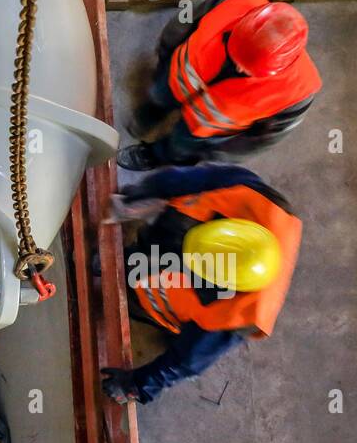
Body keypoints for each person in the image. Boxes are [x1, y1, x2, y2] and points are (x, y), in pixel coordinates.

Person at [100, 162, 302, 405]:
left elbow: (187, 362)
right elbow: (182, 178)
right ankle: (136, 259)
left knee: (163, 314)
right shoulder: (248, 192)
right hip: (177, 244)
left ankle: (143, 298)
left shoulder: (234, 318)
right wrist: (138, 197)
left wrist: (136, 385)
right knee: (166, 235)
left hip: (164, 300)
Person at [117, 0, 321, 171]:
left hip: (203, 127)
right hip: (174, 79)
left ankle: (155, 155)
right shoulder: (237, 1)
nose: (237, 65)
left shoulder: (298, 92)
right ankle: (150, 114)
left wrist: (220, 153)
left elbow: (264, 139)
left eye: (248, 68)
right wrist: (166, 51)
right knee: (159, 96)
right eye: (236, 52)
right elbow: (185, 18)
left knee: (179, 146)